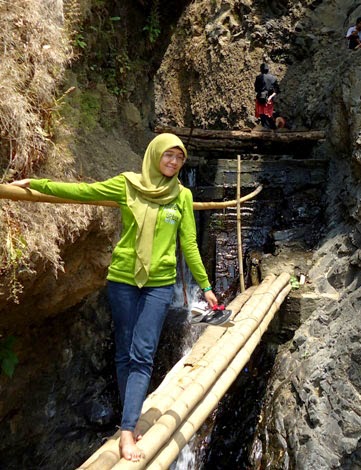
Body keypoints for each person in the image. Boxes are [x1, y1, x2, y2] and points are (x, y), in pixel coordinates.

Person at [10, 133, 218, 462]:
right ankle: (130, 421)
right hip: (122, 279)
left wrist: (205, 287)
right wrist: (39, 184)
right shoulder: (127, 185)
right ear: (154, 155)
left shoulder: (182, 196)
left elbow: (189, 245)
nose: (174, 162)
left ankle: (126, 431)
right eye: (169, 156)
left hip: (159, 284)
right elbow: (82, 192)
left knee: (142, 354)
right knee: (123, 352)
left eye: (179, 157)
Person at [254, 63, 280, 128]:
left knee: (262, 114)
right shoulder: (273, 78)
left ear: (261, 70)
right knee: (269, 113)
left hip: (260, 98)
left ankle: (266, 129)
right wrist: (271, 96)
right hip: (269, 99)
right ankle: (272, 128)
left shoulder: (258, 77)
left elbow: (256, 89)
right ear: (268, 69)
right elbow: (277, 90)